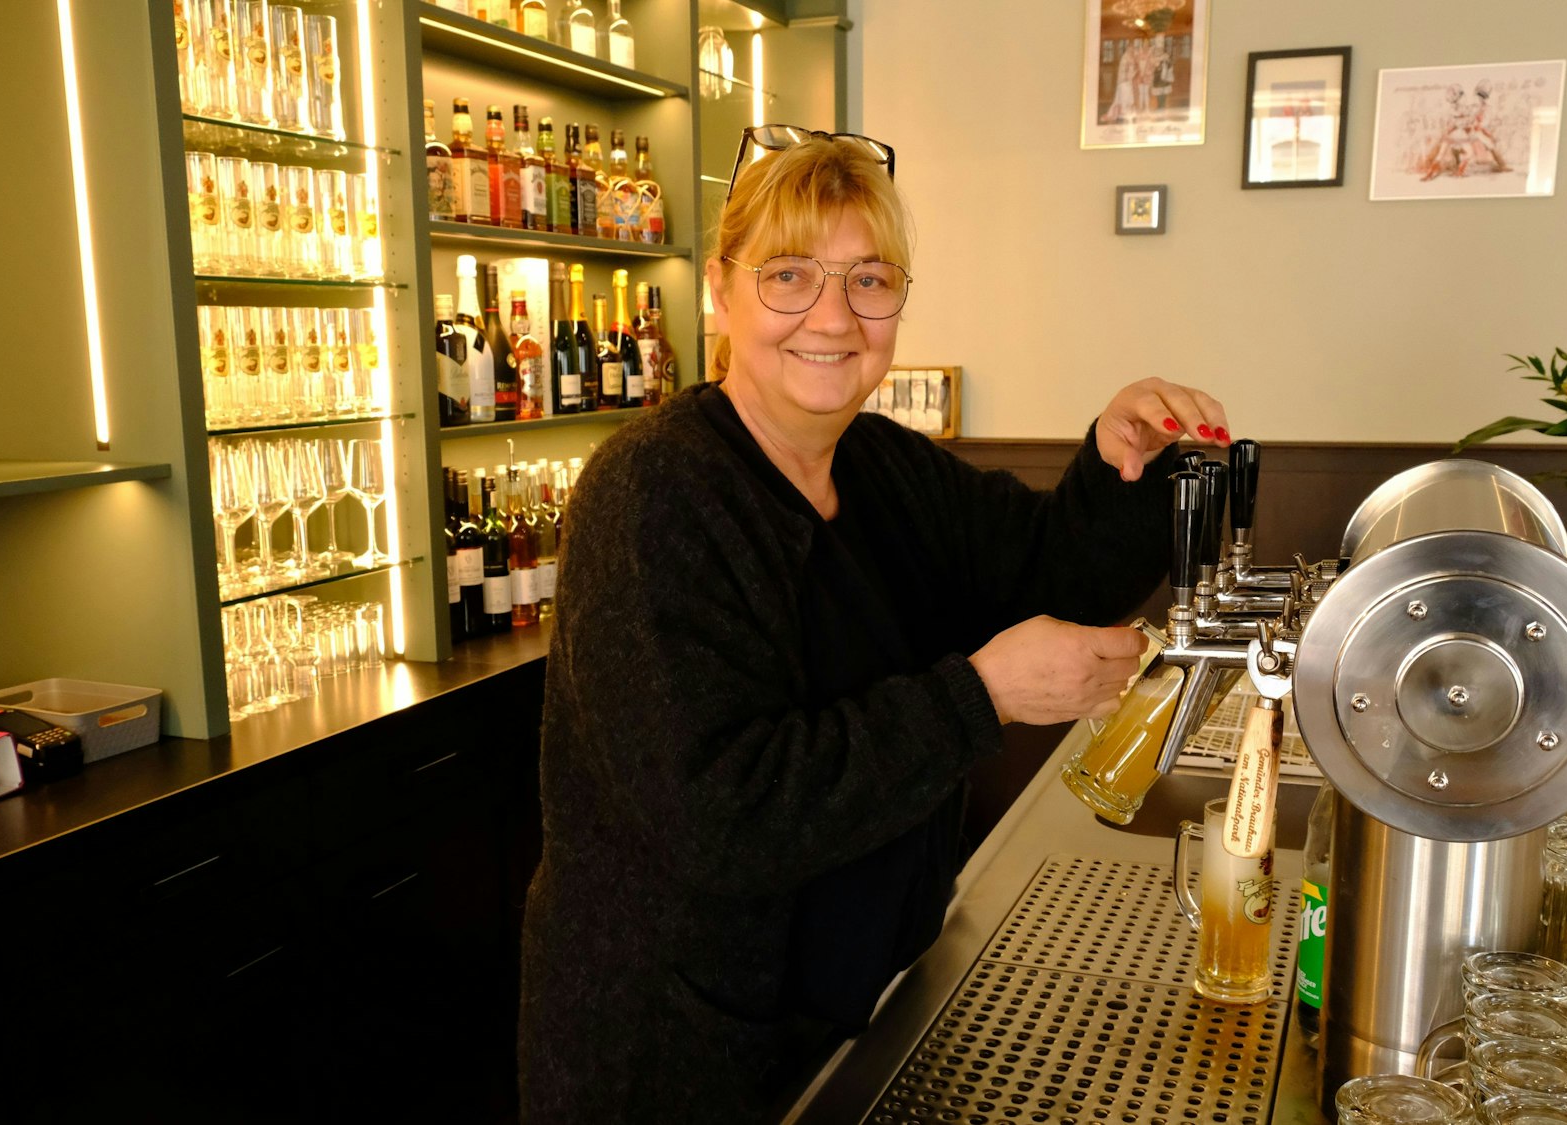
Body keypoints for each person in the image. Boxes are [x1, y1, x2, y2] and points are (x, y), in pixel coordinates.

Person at [517, 125, 1231, 1124]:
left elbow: (1047, 570)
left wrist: (1125, 463)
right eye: (789, 276)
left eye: (869, 280)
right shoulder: (655, 492)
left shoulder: (881, 465)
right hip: (683, 1049)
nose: (833, 316)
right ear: (720, 292)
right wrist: (978, 697)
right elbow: (717, 815)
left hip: (853, 1000)